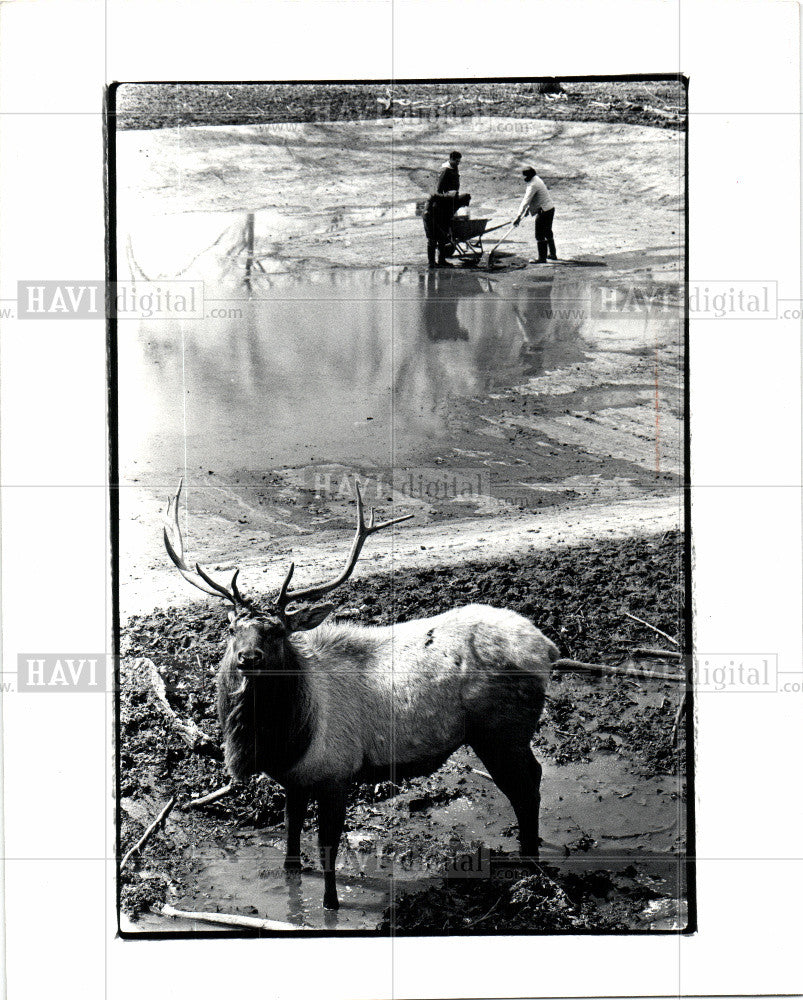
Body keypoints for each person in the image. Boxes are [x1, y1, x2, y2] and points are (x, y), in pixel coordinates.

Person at [513, 166, 557, 263]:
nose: (524, 179)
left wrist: (518, 216)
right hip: (550, 209)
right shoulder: (537, 179)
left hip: (544, 211)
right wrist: (528, 210)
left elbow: (526, 201)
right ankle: (553, 254)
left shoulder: (533, 185)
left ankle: (542, 258)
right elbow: (536, 198)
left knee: (539, 235)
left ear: (529, 176)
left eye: (525, 176)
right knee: (548, 232)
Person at [423, 191, 471, 268]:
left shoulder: (457, 204)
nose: (463, 206)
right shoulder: (450, 198)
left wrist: (447, 229)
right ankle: (431, 263)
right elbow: (432, 196)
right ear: (461, 200)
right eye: (464, 204)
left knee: (442, 238)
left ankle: (441, 261)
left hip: (439, 218)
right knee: (432, 240)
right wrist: (427, 209)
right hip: (429, 216)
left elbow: (448, 215)